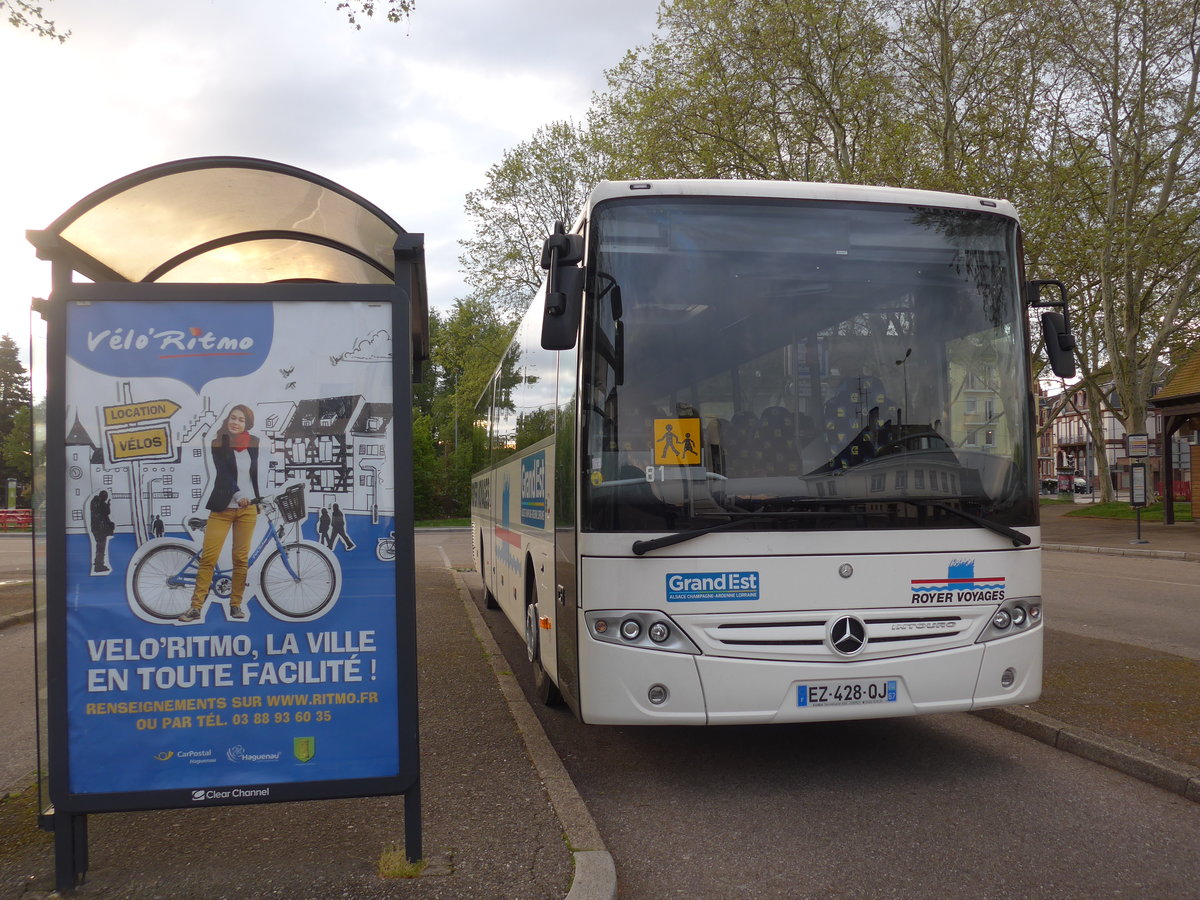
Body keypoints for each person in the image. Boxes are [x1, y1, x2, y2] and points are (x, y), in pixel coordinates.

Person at [179, 405, 261, 622]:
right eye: (233, 418)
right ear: (227, 420)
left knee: (241, 559)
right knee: (209, 558)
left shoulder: (254, 442)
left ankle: (236, 604)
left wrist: (258, 499)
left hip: (248, 510)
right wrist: (238, 495)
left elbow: (255, 473)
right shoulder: (218, 442)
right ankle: (196, 607)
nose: (236, 422)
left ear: (247, 424)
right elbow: (223, 474)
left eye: (241, 420)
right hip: (223, 507)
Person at [89, 490, 114, 573]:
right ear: (103, 496)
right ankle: (99, 566)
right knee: (101, 547)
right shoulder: (102, 503)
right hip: (101, 529)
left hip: (95, 528)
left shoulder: (94, 502)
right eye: (106, 496)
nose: (106, 498)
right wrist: (108, 505)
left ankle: (98, 564)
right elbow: (107, 512)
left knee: (99, 547)